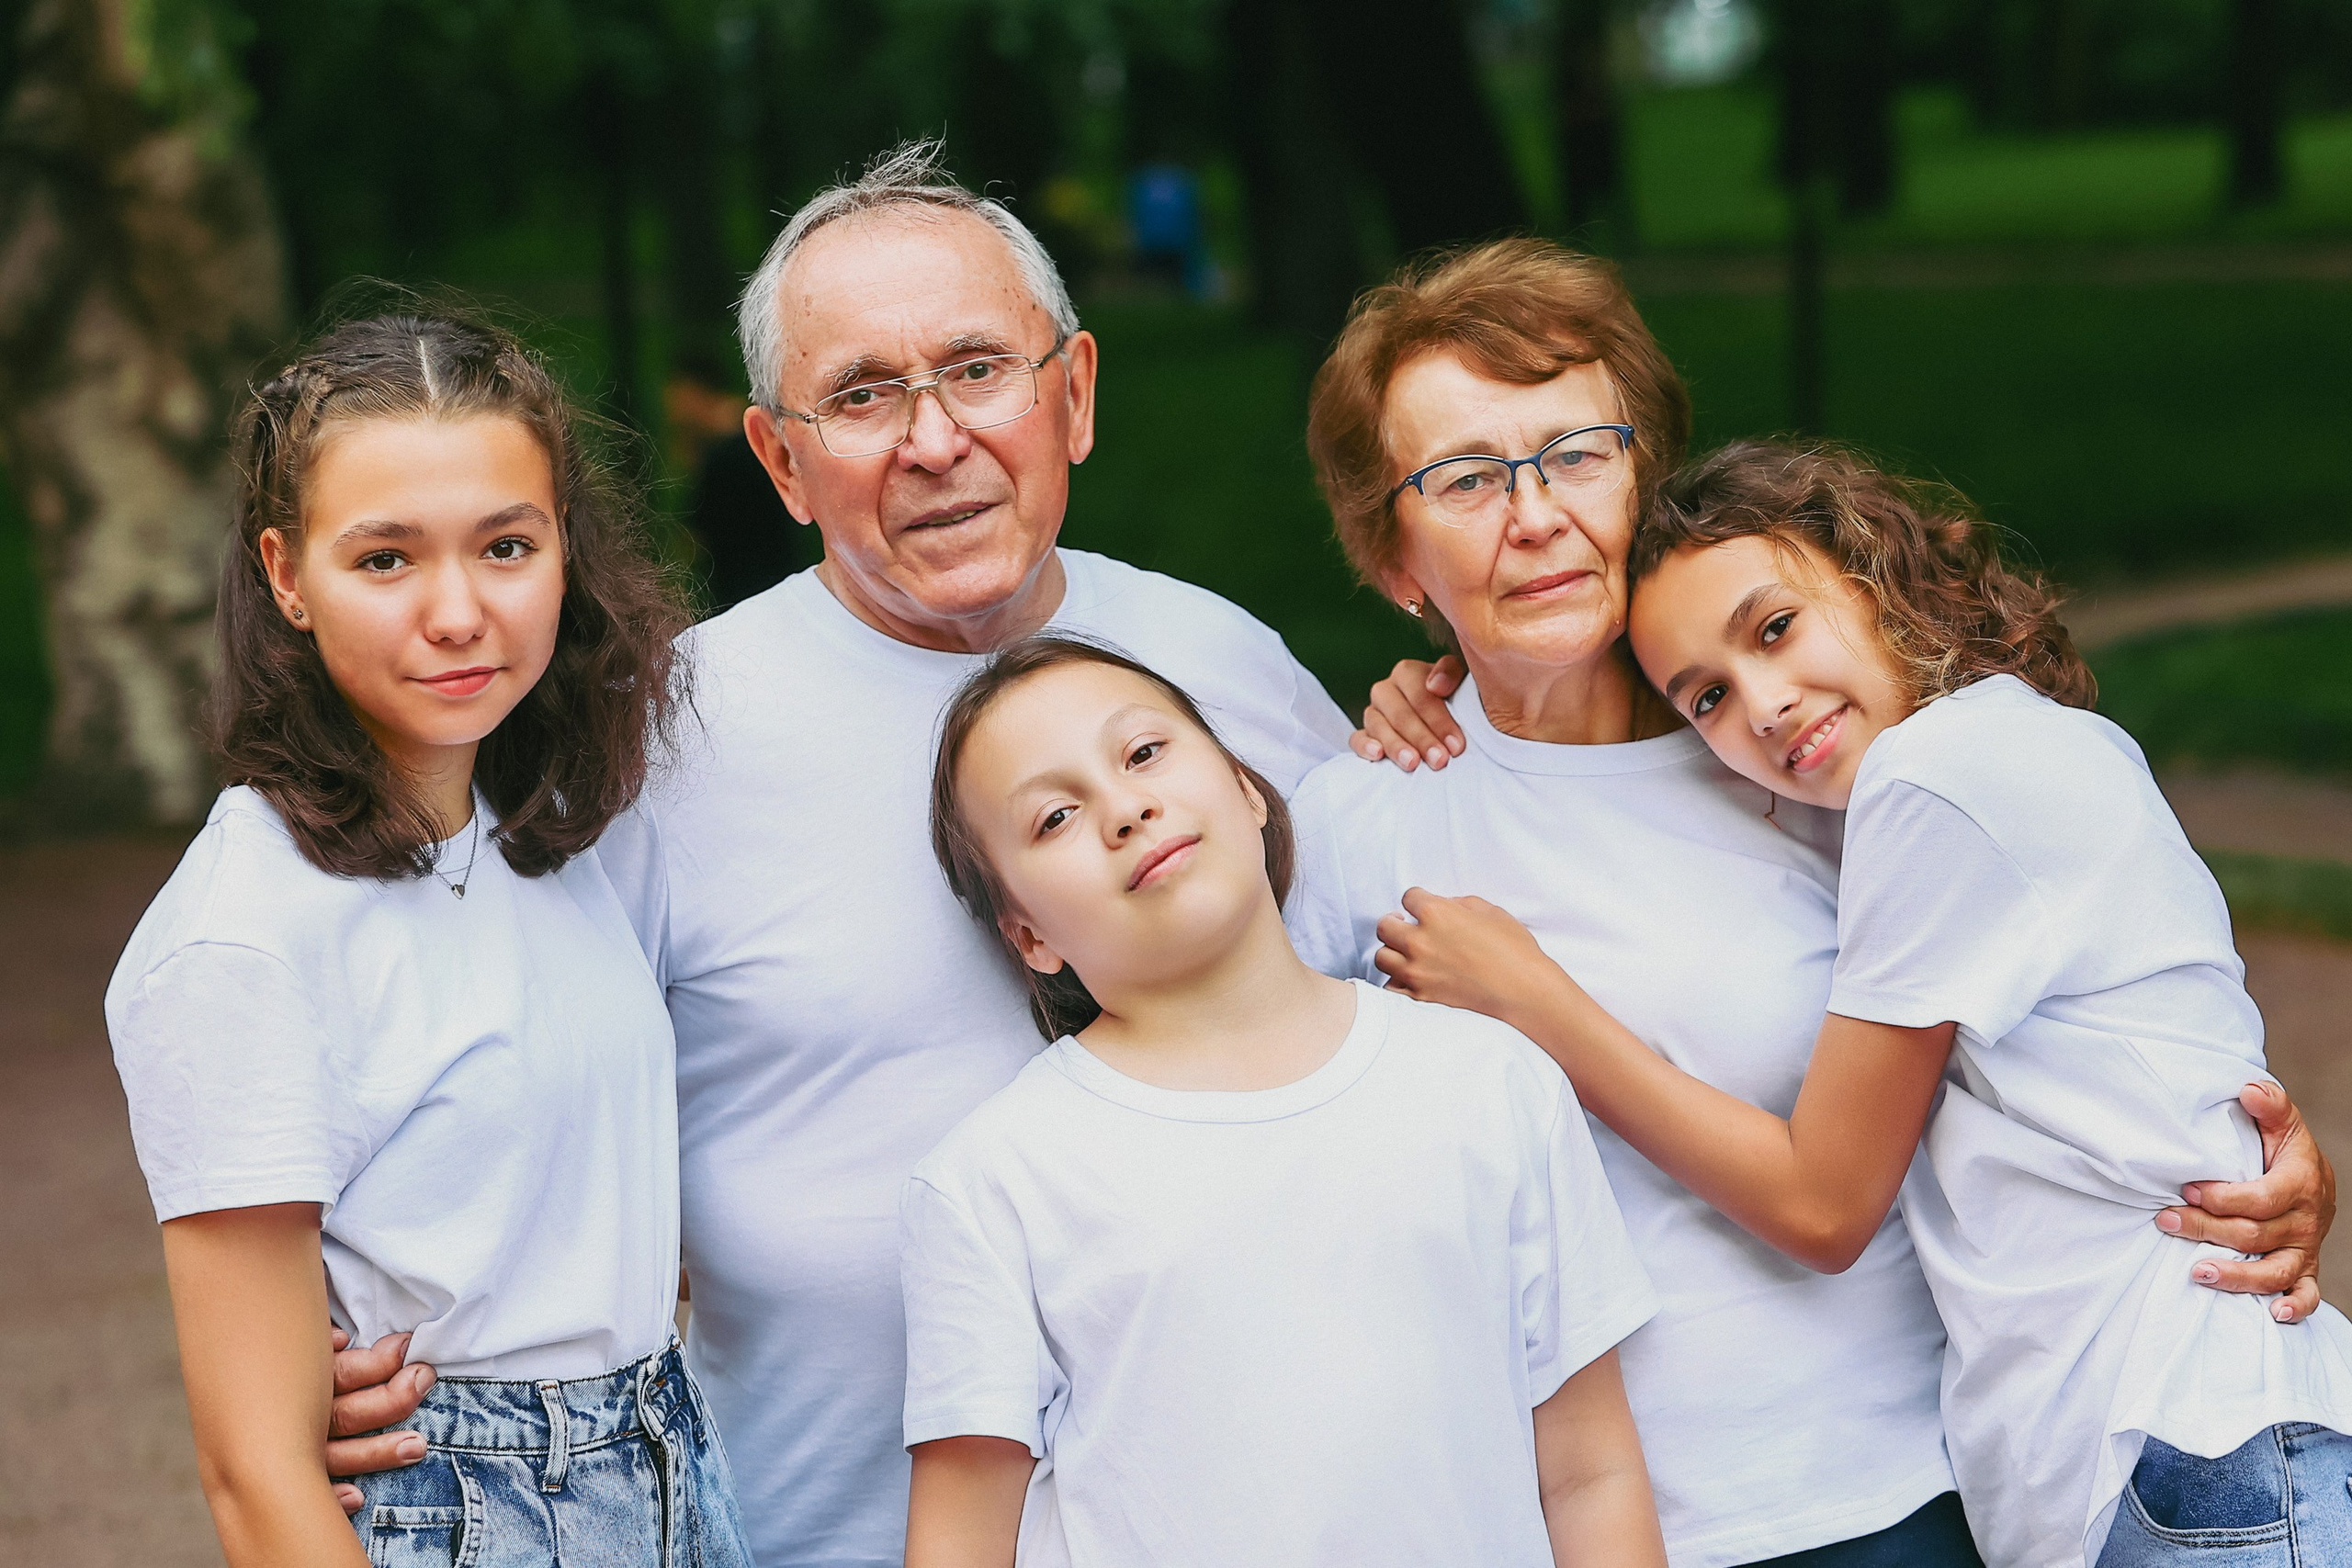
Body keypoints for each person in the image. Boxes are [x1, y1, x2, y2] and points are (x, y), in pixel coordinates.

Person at [322, 141, 1357, 1566]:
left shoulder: (1226, 670)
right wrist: (353, 1354)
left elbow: (1394, 1019)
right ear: (780, 461)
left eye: (979, 369)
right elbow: (484, 1096)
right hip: (822, 1525)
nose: (934, 440)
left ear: (1075, 392)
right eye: (862, 395)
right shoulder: (656, 743)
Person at [1284, 239, 2335, 1568]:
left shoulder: (1826, 771)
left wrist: (2255, 1157)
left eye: (1577, 454)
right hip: (1560, 1519)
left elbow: (2089, 1007)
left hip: (1899, 1491)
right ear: (1395, 561)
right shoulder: (1358, 824)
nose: (1534, 513)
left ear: (1643, 485)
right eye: (1466, 478)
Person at [105, 311, 753, 1566]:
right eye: (386, 558)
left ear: (564, 548)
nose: (458, 612)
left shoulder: (549, 839)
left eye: (506, 545)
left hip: (669, 1468)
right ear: (286, 576)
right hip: (466, 1510)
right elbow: (255, 1476)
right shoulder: (243, 935)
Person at [901, 636, 1665, 1566]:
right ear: (1028, 936)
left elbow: (1589, 1473)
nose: (1125, 809)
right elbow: (961, 1540)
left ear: (1246, 788)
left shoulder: (1490, 1079)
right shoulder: (994, 1180)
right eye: (1055, 816)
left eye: (1144, 753)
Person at [665, 349, 820, 614]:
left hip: (743, 589)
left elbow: (695, 536)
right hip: (781, 581)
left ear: (693, 389)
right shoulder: (757, 437)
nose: (672, 405)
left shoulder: (723, 454)